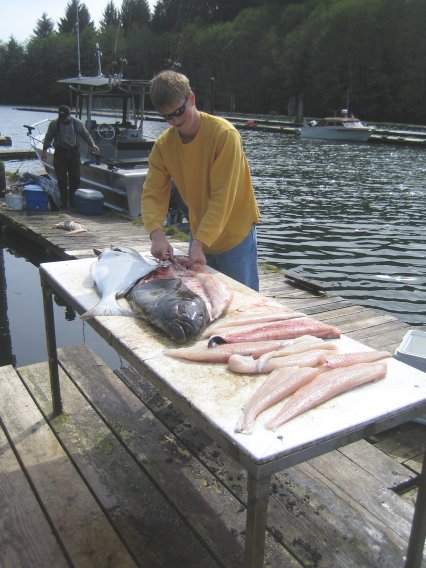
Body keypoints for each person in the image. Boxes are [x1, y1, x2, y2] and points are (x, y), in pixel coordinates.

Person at [141, 70, 260, 291]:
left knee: (243, 301)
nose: (175, 120)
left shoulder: (224, 135)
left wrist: (198, 243)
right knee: (201, 298)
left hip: (235, 236)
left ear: (192, 98)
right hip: (201, 234)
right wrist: (156, 234)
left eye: (179, 111)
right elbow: (153, 193)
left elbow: (222, 198)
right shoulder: (163, 146)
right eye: (167, 117)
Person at [42, 105, 99, 208]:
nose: (63, 119)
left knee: (76, 178)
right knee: (62, 179)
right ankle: (64, 202)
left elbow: (86, 135)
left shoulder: (77, 123)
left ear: (69, 115)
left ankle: (72, 201)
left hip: (73, 153)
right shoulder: (54, 124)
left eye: (64, 117)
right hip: (60, 153)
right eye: (61, 117)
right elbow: (48, 137)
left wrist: (93, 145)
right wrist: (44, 151)